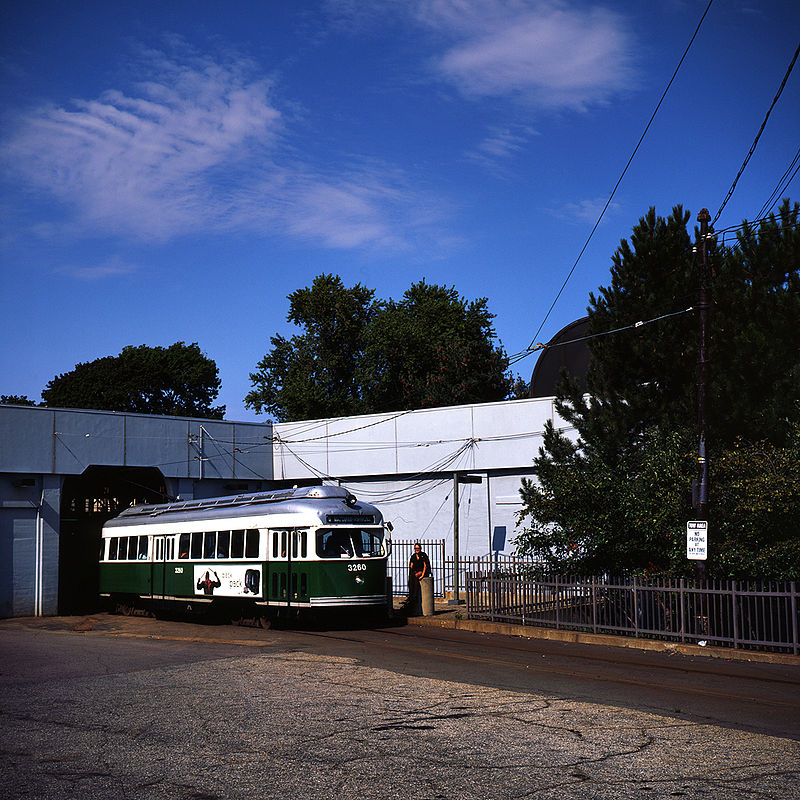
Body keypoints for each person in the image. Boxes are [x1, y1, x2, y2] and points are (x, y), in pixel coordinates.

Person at [405, 543, 431, 616]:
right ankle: (412, 595)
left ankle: (415, 595)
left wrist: (422, 575)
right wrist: (413, 572)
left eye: (418, 548)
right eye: (416, 548)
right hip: (416, 572)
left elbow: (425, 566)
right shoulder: (413, 556)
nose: (417, 550)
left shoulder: (423, 555)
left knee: (416, 578)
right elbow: (411, 566)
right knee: (412, 579)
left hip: (422, 571)